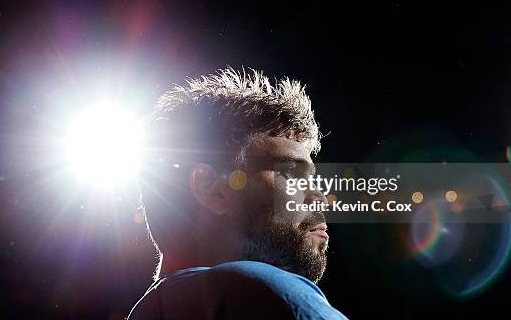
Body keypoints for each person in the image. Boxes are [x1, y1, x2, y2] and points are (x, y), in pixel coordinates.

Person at [128, 67, 348, 319]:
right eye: (292, 175)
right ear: (212, 188)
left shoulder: (147, 310)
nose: (320, 198)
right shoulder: (267, 291)